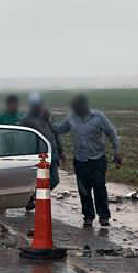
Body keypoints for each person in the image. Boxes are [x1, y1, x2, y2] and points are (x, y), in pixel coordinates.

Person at [53, 94, 121, 227]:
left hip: (97, 159)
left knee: (99, 188)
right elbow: (59, 129)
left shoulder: (98, 117)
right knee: (84, 190)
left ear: (84, 105)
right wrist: (46, 120)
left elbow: (112, 133)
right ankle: (88, 216)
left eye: (77, 106)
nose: (74, 109)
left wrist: (117, 151)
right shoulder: (71, 118)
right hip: (80, 160)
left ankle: (104, 216)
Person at [22, 92, 61, 190]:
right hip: (40, 156)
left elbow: (55, 134)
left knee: (55, 180)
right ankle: (37, 198)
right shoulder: (26, 120)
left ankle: (37, 196)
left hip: (53, 154)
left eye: (39, 104)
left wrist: (61, 151)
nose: (38, 106)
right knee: (42, 179)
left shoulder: (47, 116)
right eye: (35, 104)